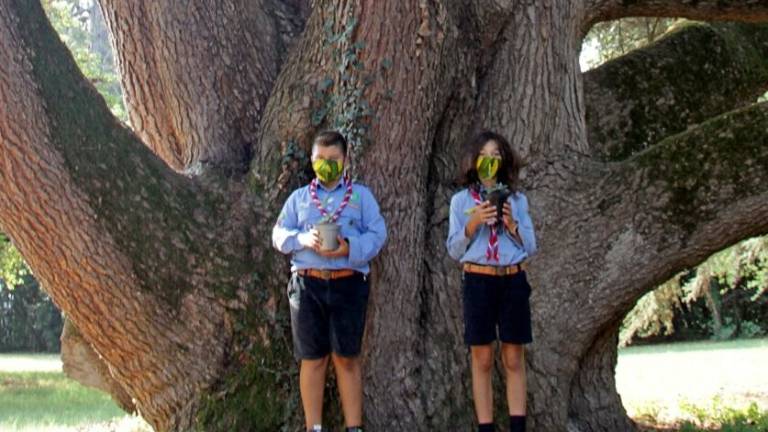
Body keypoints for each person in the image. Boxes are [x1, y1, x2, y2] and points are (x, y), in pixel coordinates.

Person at [272, 131, 387, 432]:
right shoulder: (298, 199)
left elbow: (378, 234)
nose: (327, 166)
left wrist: (351, 247)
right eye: (320, 160)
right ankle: (314, 428)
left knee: (346, 358)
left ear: (346, 160)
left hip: (348, 284)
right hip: (307, 286)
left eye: (333, 160)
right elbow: (278, 234)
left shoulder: (362, 197)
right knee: (312, 359)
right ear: (312, 161)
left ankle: (354, 427)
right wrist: (301, 239)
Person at [446, 130, 538, 432]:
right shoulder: (461, 202)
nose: (490, 161)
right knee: (482, 357)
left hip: (511, 280)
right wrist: (473, 223)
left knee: (513, 356)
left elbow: (531, 247)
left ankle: (517, 426)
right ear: (474, 161)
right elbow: (454, 249)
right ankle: (485, 426)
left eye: (496, 155)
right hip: (478, 280)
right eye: (484, 155)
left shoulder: (517, 199)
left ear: (504, 161)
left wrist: (511, 225)